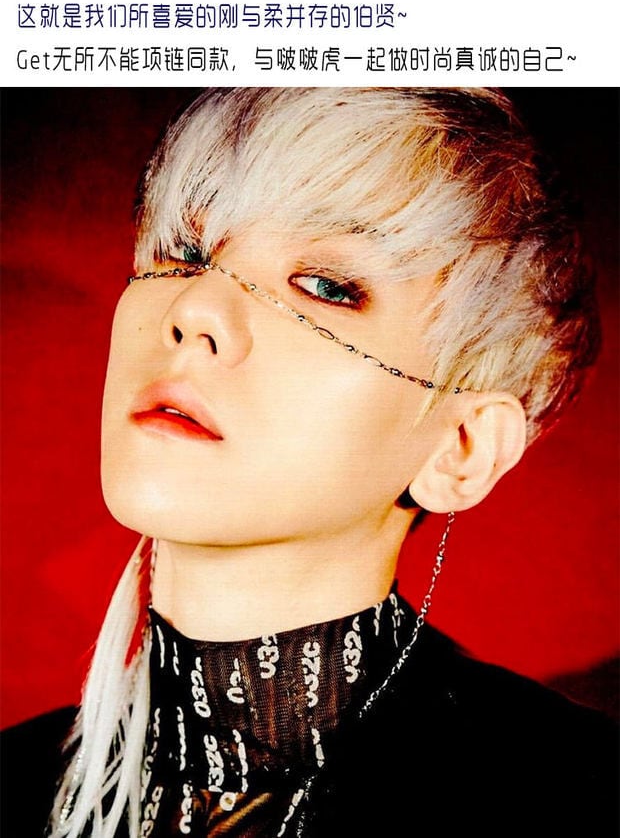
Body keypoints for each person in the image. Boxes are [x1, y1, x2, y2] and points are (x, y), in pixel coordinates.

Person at [1, 87, 617, 838]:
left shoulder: (577, 797)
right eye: (186, 253)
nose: (194, 310)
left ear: (461, 446)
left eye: (326, 287)